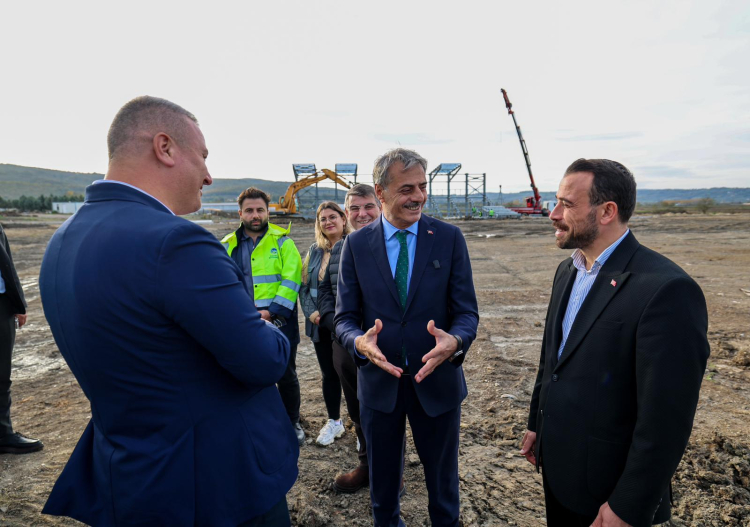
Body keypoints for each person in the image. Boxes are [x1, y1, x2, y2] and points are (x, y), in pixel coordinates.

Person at [38, 96, 298, 526]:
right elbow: (264, 360)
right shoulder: (176, 242)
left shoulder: (62, 241)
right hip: (216, 482)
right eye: (203, 156)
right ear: (165, 147)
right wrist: (262, 324)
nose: (209, 175)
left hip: (131, 476)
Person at [520, 158, 710, 527]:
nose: (553, 214)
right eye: (556, 202)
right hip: (560, 470)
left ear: (607, 211)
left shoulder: (666, 289)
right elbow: (552, 360)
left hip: (609, 492)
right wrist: (537, 424)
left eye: (567, 204)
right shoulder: (568, 270)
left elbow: (666, 418)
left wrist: (629, 504)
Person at [335, 148, 479, 526]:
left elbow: (467, 313)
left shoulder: (448, 238)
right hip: (379, 386)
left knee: (443, 489)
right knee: (383, 493)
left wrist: (456, 341)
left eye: (422, 187)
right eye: (407, 189)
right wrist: (359, 343)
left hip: (437, 382)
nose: (418, 197)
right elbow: (344, 318)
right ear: (380, 193)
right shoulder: (356, 245)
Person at [221, 187, 305, 445]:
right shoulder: (227, 245)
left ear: (268, 212)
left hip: (280, 321)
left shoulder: (283, 242)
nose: (255, 215)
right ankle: (256, 424)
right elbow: (222, 285)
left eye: (260, 210)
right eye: (249, 210)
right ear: (240, 213)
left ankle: (292, 422)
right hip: (242, 324)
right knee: (246, 375)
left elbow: (292, 280)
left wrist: (271, 312)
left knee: (286, 374)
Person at [317, 184, 381, 492]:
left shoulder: (391, 244)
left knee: (386, 409)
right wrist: (338, 327)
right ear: (347, 213)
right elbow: (326, 292)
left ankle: (390, 471)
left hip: (381, 344)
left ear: (380, 206)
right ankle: (367, 465)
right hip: (345, 342)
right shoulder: (340, 248)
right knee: (356, 409)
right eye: (354, 208)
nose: (361, 214)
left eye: (368, 206)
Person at [299, 201, 352, 446]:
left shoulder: (354, 245)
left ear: (343, 219)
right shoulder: (314, 251)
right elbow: (304, 286)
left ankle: (361, 424)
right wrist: (313, 314)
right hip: (319, 323)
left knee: (352, 375)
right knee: (328, 374)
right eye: (323, 219)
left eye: (333, 217)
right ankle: (334, 421)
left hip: (347, 324)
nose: (328, 222)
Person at [0, 224, 43, 454]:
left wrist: (17, 303)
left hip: (1, 304)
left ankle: (3, 433)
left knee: (1, 373)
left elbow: (6, 262)